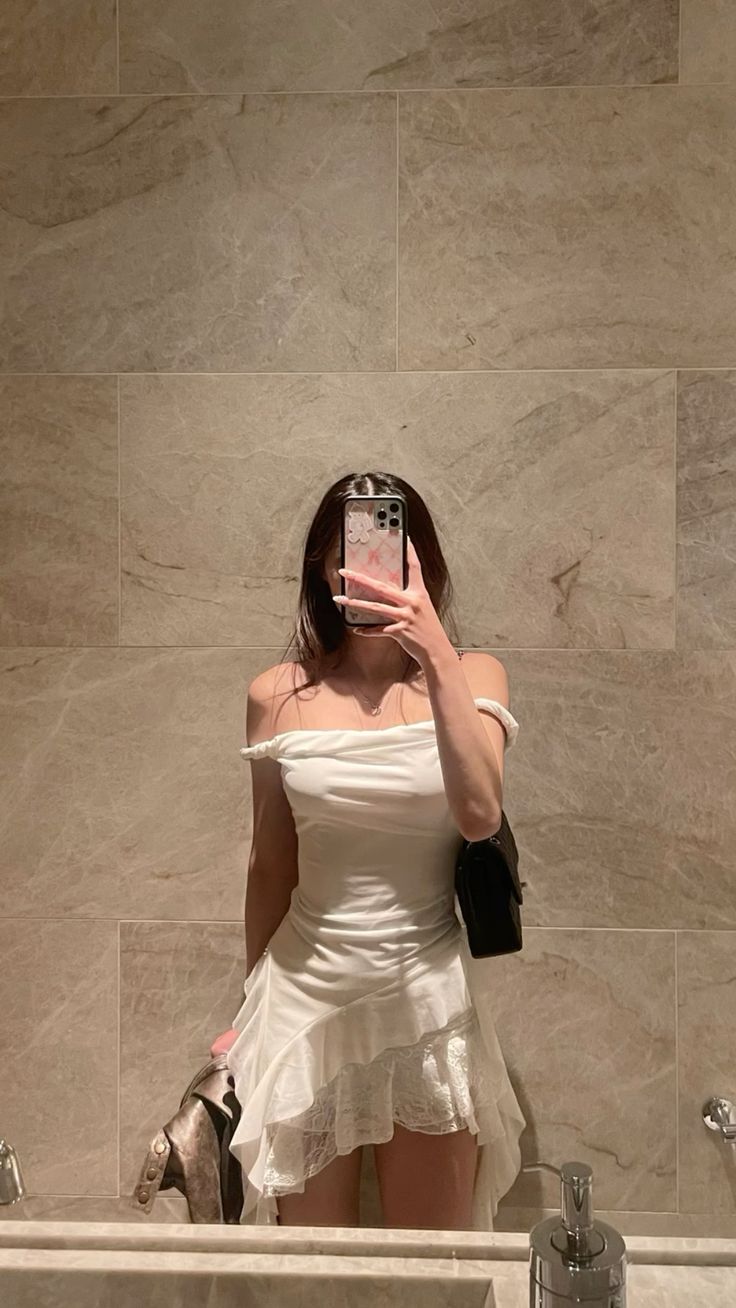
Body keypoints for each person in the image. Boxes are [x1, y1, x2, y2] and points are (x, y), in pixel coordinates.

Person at [210, 470, 526, 1229]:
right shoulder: (276, 695)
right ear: (324, 572)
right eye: (349, 554)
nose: (371, 572)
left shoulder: (475, 675)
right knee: (315, 1269)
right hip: (303, 1007)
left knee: (433, 1267)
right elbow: (270, 865)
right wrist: (248, 1012)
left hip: (428, 1006)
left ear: (425, 564)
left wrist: (432, 647)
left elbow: (480, 815)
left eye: (393, 552)